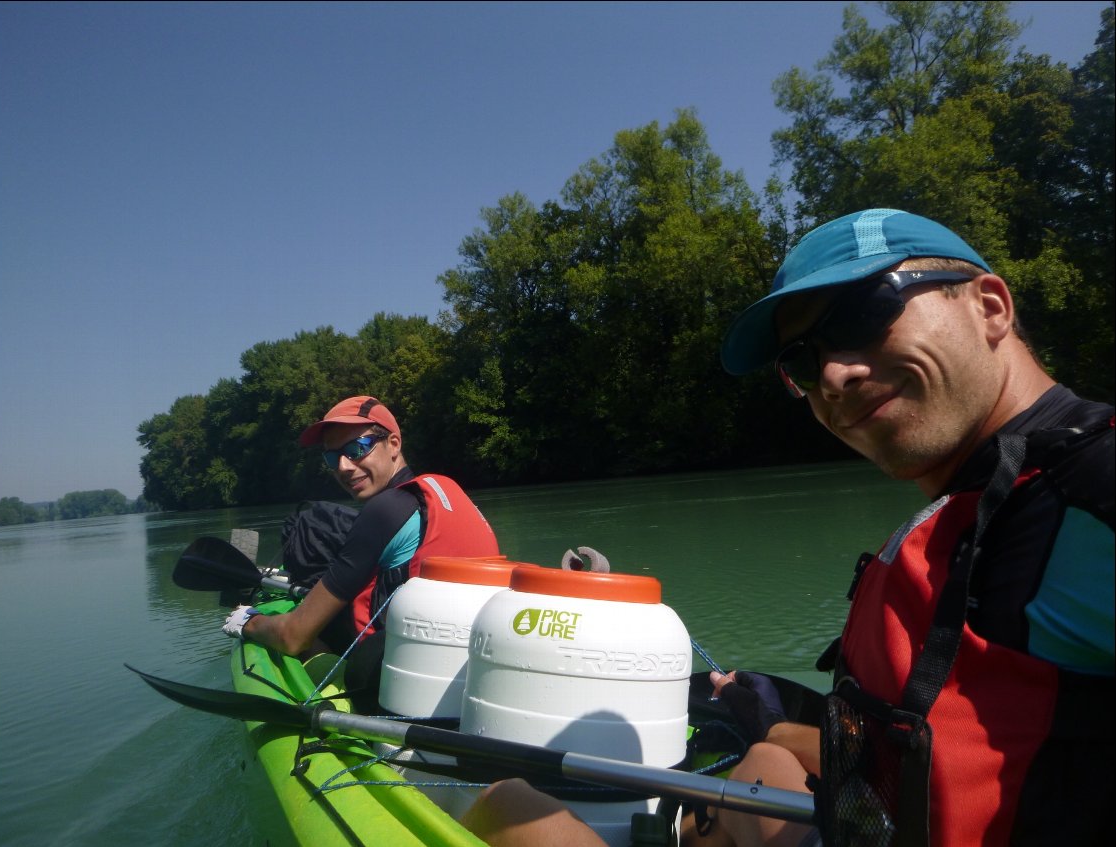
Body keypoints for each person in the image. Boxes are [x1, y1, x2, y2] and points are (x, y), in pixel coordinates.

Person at [460, 209, 1113, 847]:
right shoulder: (981, 495)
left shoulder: (1086, 487)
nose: (833, 375)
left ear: (990, 306)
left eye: (863, 314)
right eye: (803, 361)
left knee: (506, 804)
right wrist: (784, 716)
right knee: (766, 756)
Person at [222, 395, 500, 659]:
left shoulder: (384, 511)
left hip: (395, 672)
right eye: (332, 458)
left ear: (393, 443)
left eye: (357, 449)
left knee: (308, 523)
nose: (343, 467)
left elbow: (294, 637)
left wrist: (249, 622)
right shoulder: (445, 490)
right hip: (470, 655)